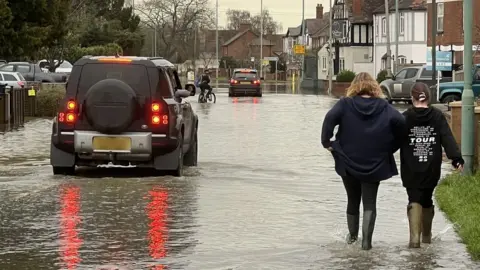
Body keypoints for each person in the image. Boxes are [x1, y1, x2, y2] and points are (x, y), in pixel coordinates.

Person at [321, 72, 406, 250]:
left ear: (354, 86)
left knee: (352, 200)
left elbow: (329, 119)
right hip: (375, 162)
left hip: (348, 161)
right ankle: (366, 244)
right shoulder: (384, 107)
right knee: (370, 203)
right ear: (374, 86)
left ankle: (352, 239)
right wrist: (390, 148)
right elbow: (401, 123)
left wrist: (327, 142)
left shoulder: (345, 104)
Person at [400, 82, 464, 248]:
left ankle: (414, 241)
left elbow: (393, 140)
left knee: (413, 198)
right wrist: (456, 159)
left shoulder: (405, 117)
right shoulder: (437, 116)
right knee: (426, 199)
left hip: (410, 166)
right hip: (431, 167)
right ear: (428, 97)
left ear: (411, 98)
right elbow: (447, 138)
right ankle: (427, 238)